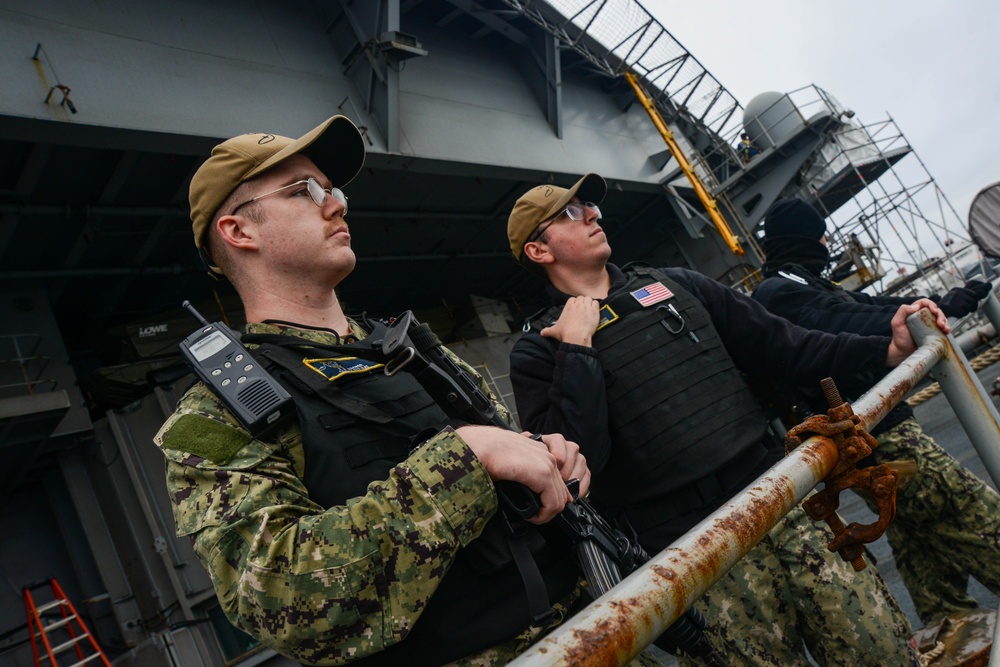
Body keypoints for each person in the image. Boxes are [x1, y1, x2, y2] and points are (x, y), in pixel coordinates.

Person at [153, 118, 661, 667]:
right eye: (305, 191)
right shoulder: (216, 415)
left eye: (334, 189)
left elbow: (506, 452)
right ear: (238, 231)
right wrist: (465, 462)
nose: (337, 205)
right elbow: (282, 600)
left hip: (594, 628)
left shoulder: (411, 349)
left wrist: (544, 454)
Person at [504, 173, 941, 666]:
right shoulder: (538, 351)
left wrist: (886, 347)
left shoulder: (677, 285)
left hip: (781, 502)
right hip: (695, 557)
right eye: (569, 213)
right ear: (540, 252)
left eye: (589, 206)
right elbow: (581, 462)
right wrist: (577, 347)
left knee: (881, 652)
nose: (593, 214)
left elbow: (786, 347)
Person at [752, 197, 1000, 625]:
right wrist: (923, 311)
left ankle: (949, 625)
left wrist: (938, 301)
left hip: (876, 437)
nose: (827, 241)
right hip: (876, 441)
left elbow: (867, 307)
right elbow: (841, 318)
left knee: (918, 539)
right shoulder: (779, 291)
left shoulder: (801, 281)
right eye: (820, 234)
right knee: (965, 511)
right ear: (803, 238)